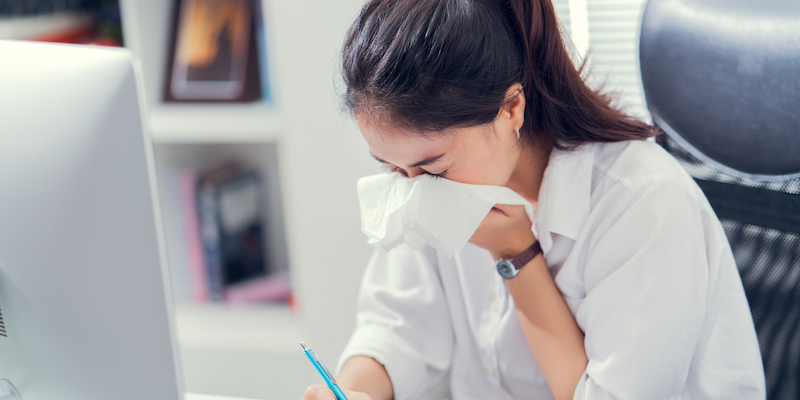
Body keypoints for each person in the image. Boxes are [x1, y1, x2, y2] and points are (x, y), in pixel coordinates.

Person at [302, 0, 766, 399]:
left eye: (433, 168)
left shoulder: (643, 203)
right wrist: (354, 389)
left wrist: (516, 255)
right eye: (391, 168)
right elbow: (396, 327)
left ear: (511, 109)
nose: (413, 187)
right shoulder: (427, 176)